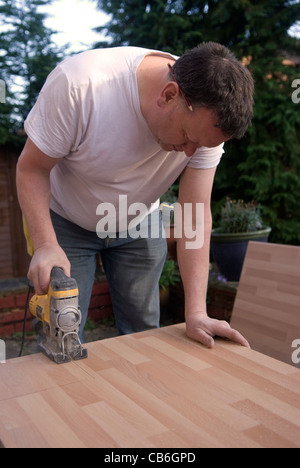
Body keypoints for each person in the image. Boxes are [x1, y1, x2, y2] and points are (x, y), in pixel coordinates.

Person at [16, 42, 254, 348]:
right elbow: (31, 169)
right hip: (66, 221)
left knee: (144, 334)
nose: (190, 153)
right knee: (61, 337)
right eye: (188, 138)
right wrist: (46, 245)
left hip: (139, 219)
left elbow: (194, 214)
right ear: (169, 95)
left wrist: (196, 312)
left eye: (201, 146)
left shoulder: (207, 121)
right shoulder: (80, 85)